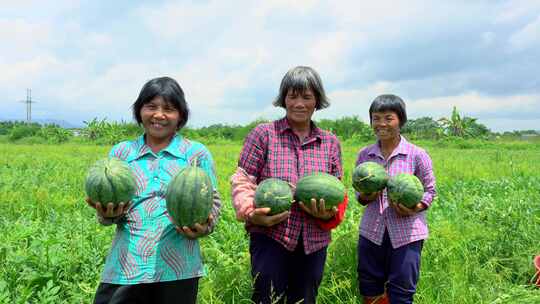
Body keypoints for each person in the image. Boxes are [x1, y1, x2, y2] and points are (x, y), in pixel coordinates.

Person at [86, 76, 221, 304]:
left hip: (179, 268)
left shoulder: (196, 154)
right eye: (151, 107)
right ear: (140, 111)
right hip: (127, 266)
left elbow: (213, 202)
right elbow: (109, 204)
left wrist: (204, 226)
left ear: (180, 115)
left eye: (168, 109)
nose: (159, 115)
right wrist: (107, 215)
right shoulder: (122, 153)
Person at [231, 66, 348, 304]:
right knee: (267, 299)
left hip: (314, 242)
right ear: (284, 99)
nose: (299, 103)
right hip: (271, 237)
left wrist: (327, 215)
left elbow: (337, 190)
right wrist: (252, 214)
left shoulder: (330, 142)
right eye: (293, 96)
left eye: (306, 97)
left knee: (305, 300)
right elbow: (243, 179)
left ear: (317, 101)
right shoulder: (264, 134)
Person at [355, 94, 436, 304]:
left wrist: (415, 207)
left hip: (406, 234)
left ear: (401, 120)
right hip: (372, 232)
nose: (381, 123)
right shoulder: (365, 155)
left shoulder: (417, 154)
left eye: (388, 118)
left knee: (402, 292)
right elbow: (358, 193)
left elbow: (430, 191)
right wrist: (365, 196)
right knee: (369, 289)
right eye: (376, 118)